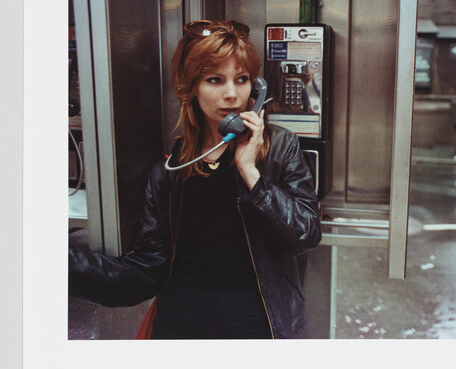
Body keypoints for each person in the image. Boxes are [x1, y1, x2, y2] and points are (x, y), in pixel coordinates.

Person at [69, 19, 322, 339]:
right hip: (181, 325)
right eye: (215, 80)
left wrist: (251, 173)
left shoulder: (279, 148)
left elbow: (306, 235)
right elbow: (149, 271)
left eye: (242, 79)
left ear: (256, 89)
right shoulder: (170, 169)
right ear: (190, 87)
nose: (232, 94)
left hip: (258, 326)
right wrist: (69, 267)